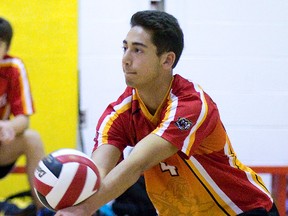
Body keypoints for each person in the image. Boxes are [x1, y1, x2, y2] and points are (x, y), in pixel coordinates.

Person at [56, 10, 279, 216]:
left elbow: (136, 164)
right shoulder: (118, 113)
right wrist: (70, 196)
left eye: (138, 50)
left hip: (244, 210)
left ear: (167, 60)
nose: (126, 59)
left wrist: (84, 209)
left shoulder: (191, 104)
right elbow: (97, 172)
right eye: (125, 48)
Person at [0, 17, 54, 216]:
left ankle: (44, 210)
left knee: (32, 138)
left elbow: (24, 118)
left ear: (6, 49)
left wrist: (9, 127)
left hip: (2, 148)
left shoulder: (13, 68)